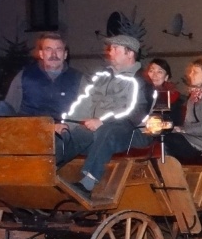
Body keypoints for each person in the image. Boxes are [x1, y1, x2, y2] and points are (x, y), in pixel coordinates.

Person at [56, 35, 155, 197]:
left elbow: (135, 113)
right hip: (100, 130)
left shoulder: (140, 81)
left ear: (130, 54)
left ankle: (87, 183)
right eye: (111, 48)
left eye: (116, 49)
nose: (111, 52)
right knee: (77, 133)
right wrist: (66, 123)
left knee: (108, 130)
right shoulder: (103, 77)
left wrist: (102, 121)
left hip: (133, 132)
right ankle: (49, 168)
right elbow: (85, 102)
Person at [0, 32, 85, 118]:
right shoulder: (25, 76)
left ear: (65, 55)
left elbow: (85, 112)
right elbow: (9, 106)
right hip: (30, 130)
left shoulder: (78, 79)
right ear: (41, 54)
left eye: (58, 50)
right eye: (48, 49)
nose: (54, 54)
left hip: (63, 132)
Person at [145, 57, 183, 126]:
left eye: (159, 72)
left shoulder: (172, 97)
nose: (154, 75)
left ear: (166, 77)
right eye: (151, 71)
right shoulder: (140, 93)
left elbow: (175, 122)